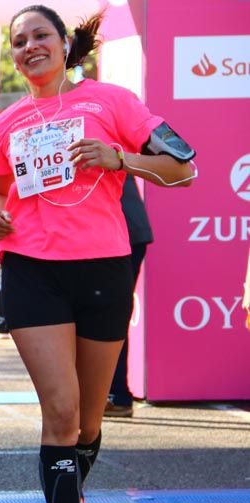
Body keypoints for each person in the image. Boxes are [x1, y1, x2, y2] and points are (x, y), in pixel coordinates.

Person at [0, 5, 195, 503]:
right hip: (30, 272)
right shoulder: (8, 121)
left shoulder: (110, 101)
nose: (28, 47)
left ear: (62, 45)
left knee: (91, 421)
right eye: (19, 40)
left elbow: (184, 168)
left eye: (39, 36)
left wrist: (119, 158)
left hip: (103, 268)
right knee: (62, 411)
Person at [105, 178, 151, 418]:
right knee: (106, 318)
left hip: (121, 232)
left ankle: (116, 395)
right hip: (111, 232)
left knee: (108, 319)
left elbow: (177, 167)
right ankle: (113, 394)